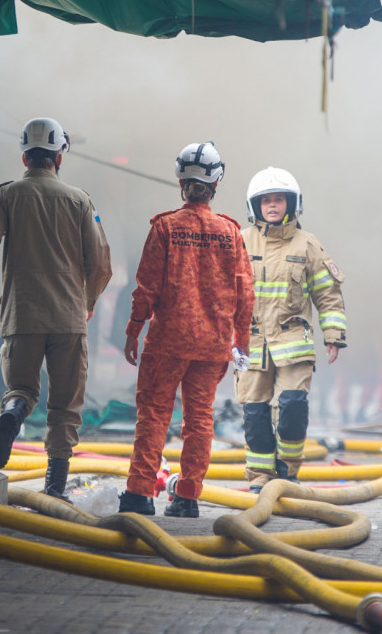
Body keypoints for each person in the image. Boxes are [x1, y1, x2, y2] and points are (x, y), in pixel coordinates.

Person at [0, 117, 112, 500]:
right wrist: (88, 303)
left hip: (21, 315)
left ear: (25, 156)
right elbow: (101, 263)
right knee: (64, 406)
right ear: (58, 157)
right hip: (68, 319)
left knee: (23, 388)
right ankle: (55, 487)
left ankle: (12, 413)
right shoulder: (80, 200)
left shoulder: (7, 196)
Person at [118, 142, 254, 518]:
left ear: (181, 180)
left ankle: (139, 493)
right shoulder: (231, 233)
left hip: (168, 341)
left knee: (155, 413)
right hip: (213, 345)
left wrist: (133, 330)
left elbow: (147, 286)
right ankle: (188, 497)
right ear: (216, 183)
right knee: (200, 418)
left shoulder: (165, 227)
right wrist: (240, 342)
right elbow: (246, 292)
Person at [235, 167, 347, 492]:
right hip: (251, 345)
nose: (272, 206)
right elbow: (221, 292)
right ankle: (259, 480)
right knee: (255, 415)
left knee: (293, 408)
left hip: (294, 344)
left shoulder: (307, 244)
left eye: (279, 200)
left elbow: (328, 293)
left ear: (292, 203)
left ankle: (288, 473)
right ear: (255, 205)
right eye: (266, 200)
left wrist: (334, 335)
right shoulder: (239, 241)